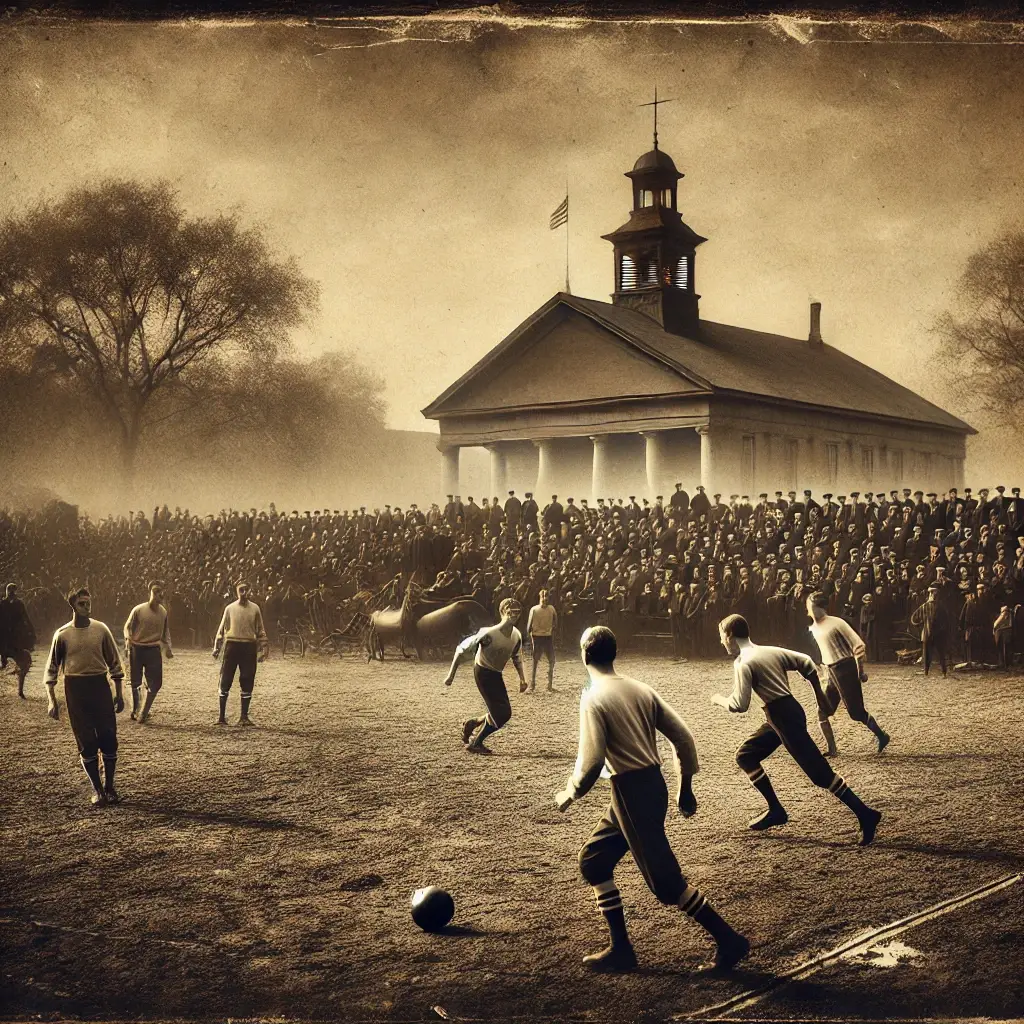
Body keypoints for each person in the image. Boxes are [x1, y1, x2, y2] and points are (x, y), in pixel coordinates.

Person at [554, 625, 749, 973]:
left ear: (584, 655)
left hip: (631, 790)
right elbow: (683, 739)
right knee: (594, 861)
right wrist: (684, 787)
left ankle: (729, 940)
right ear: (614, 653)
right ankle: (621, 949)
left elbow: (592, 762)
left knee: (666, 882)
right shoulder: (640, 688)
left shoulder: (593, 696)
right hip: (647, 787)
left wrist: (571, 791)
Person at [710, 614, 881, 845]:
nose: (721, 642)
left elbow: (740, 705)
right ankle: (776, 810)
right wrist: (819, 696)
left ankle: (866, 814)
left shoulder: (743, 663)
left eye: (722, 637)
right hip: (783, 714)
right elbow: (806, 662)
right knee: (746, 756)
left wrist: (719, 699)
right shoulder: (769, 650)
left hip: (783, 717)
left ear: (730, 635)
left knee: (820, 774)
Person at [42, 587, 125, 806]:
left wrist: (119, 694)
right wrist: (52, 700)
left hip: (100, 686)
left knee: (108, 738)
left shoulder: (101, 629)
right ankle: (97, 790)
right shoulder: (62, 634)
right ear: (72, 605)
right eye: (82, 604)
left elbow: (115, 663)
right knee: (86, 741)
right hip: (76, 689)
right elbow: (51, 670)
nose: (87, 607)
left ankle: (110, 787)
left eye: (89, 603)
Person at [806, 592, 890, 756]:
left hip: (845, 668)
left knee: (856, 712)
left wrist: (860, 671)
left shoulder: (837, 623)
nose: (808, 611)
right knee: (822, 711)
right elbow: (824, 653)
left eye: (810, 607)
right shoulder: (813, 628)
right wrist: (824, 673)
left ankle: (882, 736)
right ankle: (832, 750)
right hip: (831, 671)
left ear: (820, 608)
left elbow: (858, 645)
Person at [442, 597, 526, 753]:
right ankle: (476, 743)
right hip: (483, 672)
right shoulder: (489, 634)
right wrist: (451, 675)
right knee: (502, 714)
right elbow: (461, 649)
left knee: (502, 712)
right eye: (510, 611)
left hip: (496, 674)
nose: (514, 615)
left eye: (517, 612)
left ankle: (473, 723)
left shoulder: (516, 636)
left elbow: (517, 657)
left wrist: (522, 678)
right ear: (502, 612)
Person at [213, 581, 269, 726]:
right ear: (236, 592)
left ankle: (244, 717)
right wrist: (217, 647)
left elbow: (260, 629)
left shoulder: (255, 608)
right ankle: (221, 718)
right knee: (225, 679)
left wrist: (264, 647)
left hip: (248, 647)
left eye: (246, 590)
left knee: (247, 679)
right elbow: (221, 629)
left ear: (250, 591)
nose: (244, 593)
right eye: (241, 590)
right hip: (232, 646)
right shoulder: (230, 608)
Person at [123, 580, 173, 723]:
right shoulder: (138, 610)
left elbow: (165, 631)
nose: (158, 595)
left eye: (161, 592)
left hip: (153, 649)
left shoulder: (163, 612)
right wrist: (128, 640)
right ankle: (136, 711)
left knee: (156, 683)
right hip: (137, 648)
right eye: (155, 592)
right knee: (136, 681)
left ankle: (144, 712)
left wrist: (168, 647)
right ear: (150, 593)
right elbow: (127, 627)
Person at [0, 582, 36, 698]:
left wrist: (32, 634)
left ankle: (20, 690)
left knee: (25, 662)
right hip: (2, 640)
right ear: (6, 592)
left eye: (13, 590)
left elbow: (26, 619)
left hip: (16, 642)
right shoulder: (2, 604)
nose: (11, 593)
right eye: (9, 590)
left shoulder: (19, 604)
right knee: (3, 663)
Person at [527, 588, 558, 692]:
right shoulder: (534, 609)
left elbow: (556, 623)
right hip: (538, 637)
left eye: (546, 597)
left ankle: (548, 685)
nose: (545, 599)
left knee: (551, 660)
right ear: (540, 597)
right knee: (536, 661)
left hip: (546, 637)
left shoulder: (551, 609)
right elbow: (528, 627)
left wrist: (551, 631)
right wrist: (532, 637)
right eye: (543, 597)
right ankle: (533, 684)